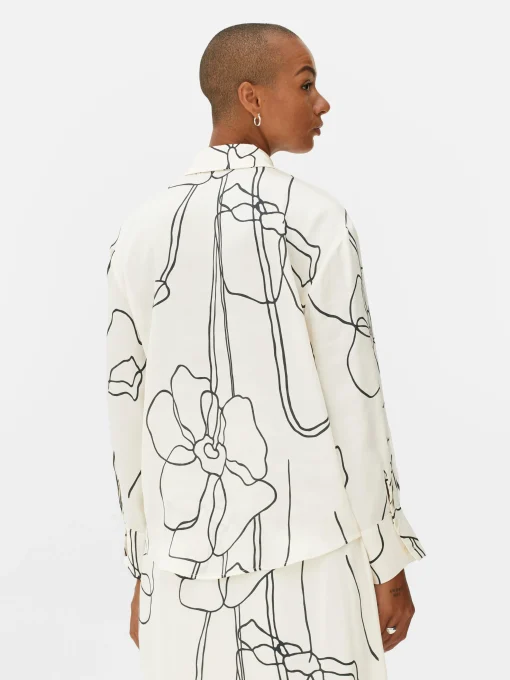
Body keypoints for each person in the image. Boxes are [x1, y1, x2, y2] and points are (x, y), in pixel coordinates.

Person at [106, 22, 426, 680]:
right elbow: (356, 402)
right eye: (306, 85)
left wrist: (144, 566)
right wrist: (386, 559)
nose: (322, 102)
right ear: (251, 97)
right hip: (312, 561)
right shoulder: (315, 221)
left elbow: (127, 413)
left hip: (182, 571)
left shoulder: (139, 232)